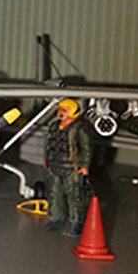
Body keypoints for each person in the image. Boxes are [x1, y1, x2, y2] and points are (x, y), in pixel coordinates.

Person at [43, 98, 93, 237]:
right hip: (55, 165)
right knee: (54, 193)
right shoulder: (54, 126)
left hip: (72, 168)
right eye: (60, 109)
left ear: (72, 111)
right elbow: (49, 145)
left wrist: (85, 166)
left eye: (64, 110)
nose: (60, 112)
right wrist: (47, 160)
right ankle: (55, 218)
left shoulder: (80, 128)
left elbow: (86, 148)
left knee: (74, 195)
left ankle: (77, 221)